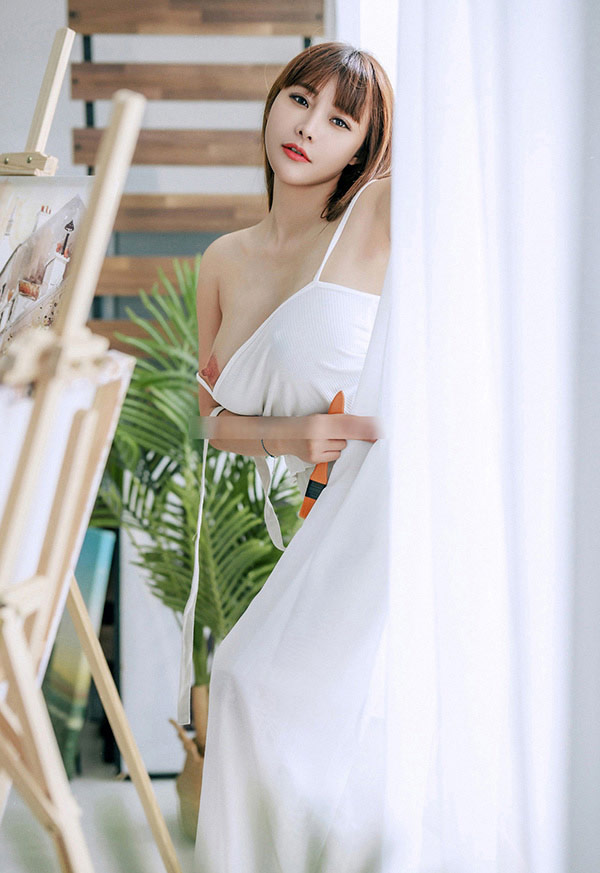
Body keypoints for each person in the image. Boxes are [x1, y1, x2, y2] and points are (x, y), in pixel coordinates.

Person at [191, 41, 393, 873]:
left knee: (259, 687)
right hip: (313, 517)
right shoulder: (222, 259)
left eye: (341, 121)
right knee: (246, 688)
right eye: (301, 100)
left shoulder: (372, 217)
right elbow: (212, 422)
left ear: (363, 148)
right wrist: (294, 435)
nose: (309, 128)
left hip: (381, 504)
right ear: (273, 101)